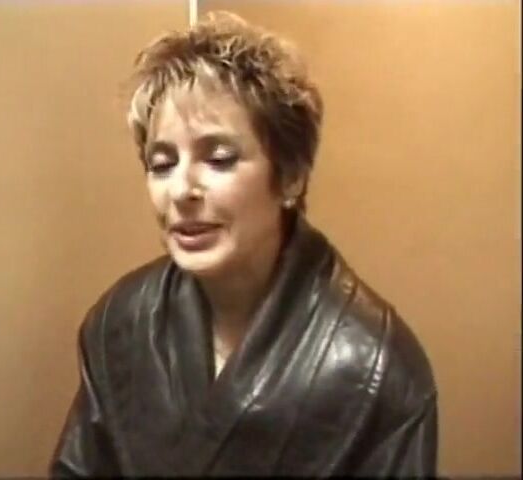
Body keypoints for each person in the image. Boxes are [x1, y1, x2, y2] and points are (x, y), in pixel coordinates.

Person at [49, 12, 438, 478]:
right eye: (162, 164)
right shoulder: (121, 322)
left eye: (219, 159)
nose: (182, 190)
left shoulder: (376, 365)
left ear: (290, 176)